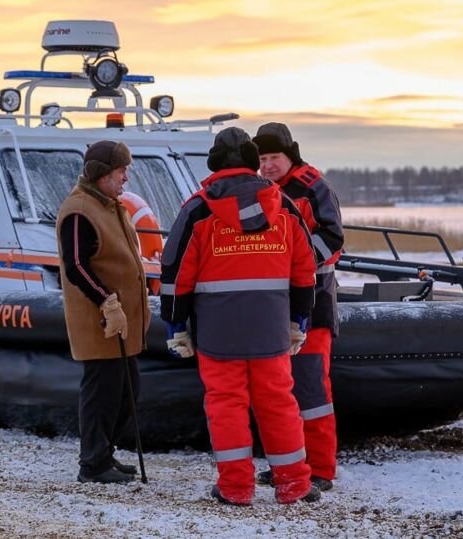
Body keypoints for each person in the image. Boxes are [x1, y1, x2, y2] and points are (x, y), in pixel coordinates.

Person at [160, 127, 320, 505]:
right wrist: (301, 318)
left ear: (214, 164)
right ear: (252, 162)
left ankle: (236, 488)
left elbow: (175, 271)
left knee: (226, 405)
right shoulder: (283, 205)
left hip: (218, 331)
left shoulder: (198, 208)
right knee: (279, 402)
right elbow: (304, 268)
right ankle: (294, 484)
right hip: (271, 327)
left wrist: (175, 323)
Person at [252, 122, 344, 492]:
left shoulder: (313, 188)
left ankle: (320, 469)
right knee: (277, 392)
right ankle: (286, 465)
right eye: (262, 159)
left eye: (274, 157)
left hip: (314, 305)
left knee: (311, 391)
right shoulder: (263, 192)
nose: (268, 165)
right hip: (275, 307)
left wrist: (293, 265)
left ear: (290, 155)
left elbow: (333, 239)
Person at [56, 140, 150, 484]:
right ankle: (92, 463)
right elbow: (76, 265)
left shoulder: (109, 205)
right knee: (101, 393)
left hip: (120, 324)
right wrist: (107, 302)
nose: (126, 178)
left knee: (126, 390)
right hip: (100, 321)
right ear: (102, 174)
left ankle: (104, 454)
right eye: (121, 171)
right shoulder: (80, 210)